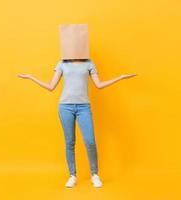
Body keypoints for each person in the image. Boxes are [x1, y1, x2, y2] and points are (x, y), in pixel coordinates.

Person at [17, 59, 137, 188]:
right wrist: (31, 77)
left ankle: (94, 175)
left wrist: (120, 77)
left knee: (90, 141)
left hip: (84, 107)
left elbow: (99, 85)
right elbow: (51, 87)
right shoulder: (62, 63)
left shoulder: (89, 63)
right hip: (65, 107)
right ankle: (72, 176)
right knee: (70, 142)